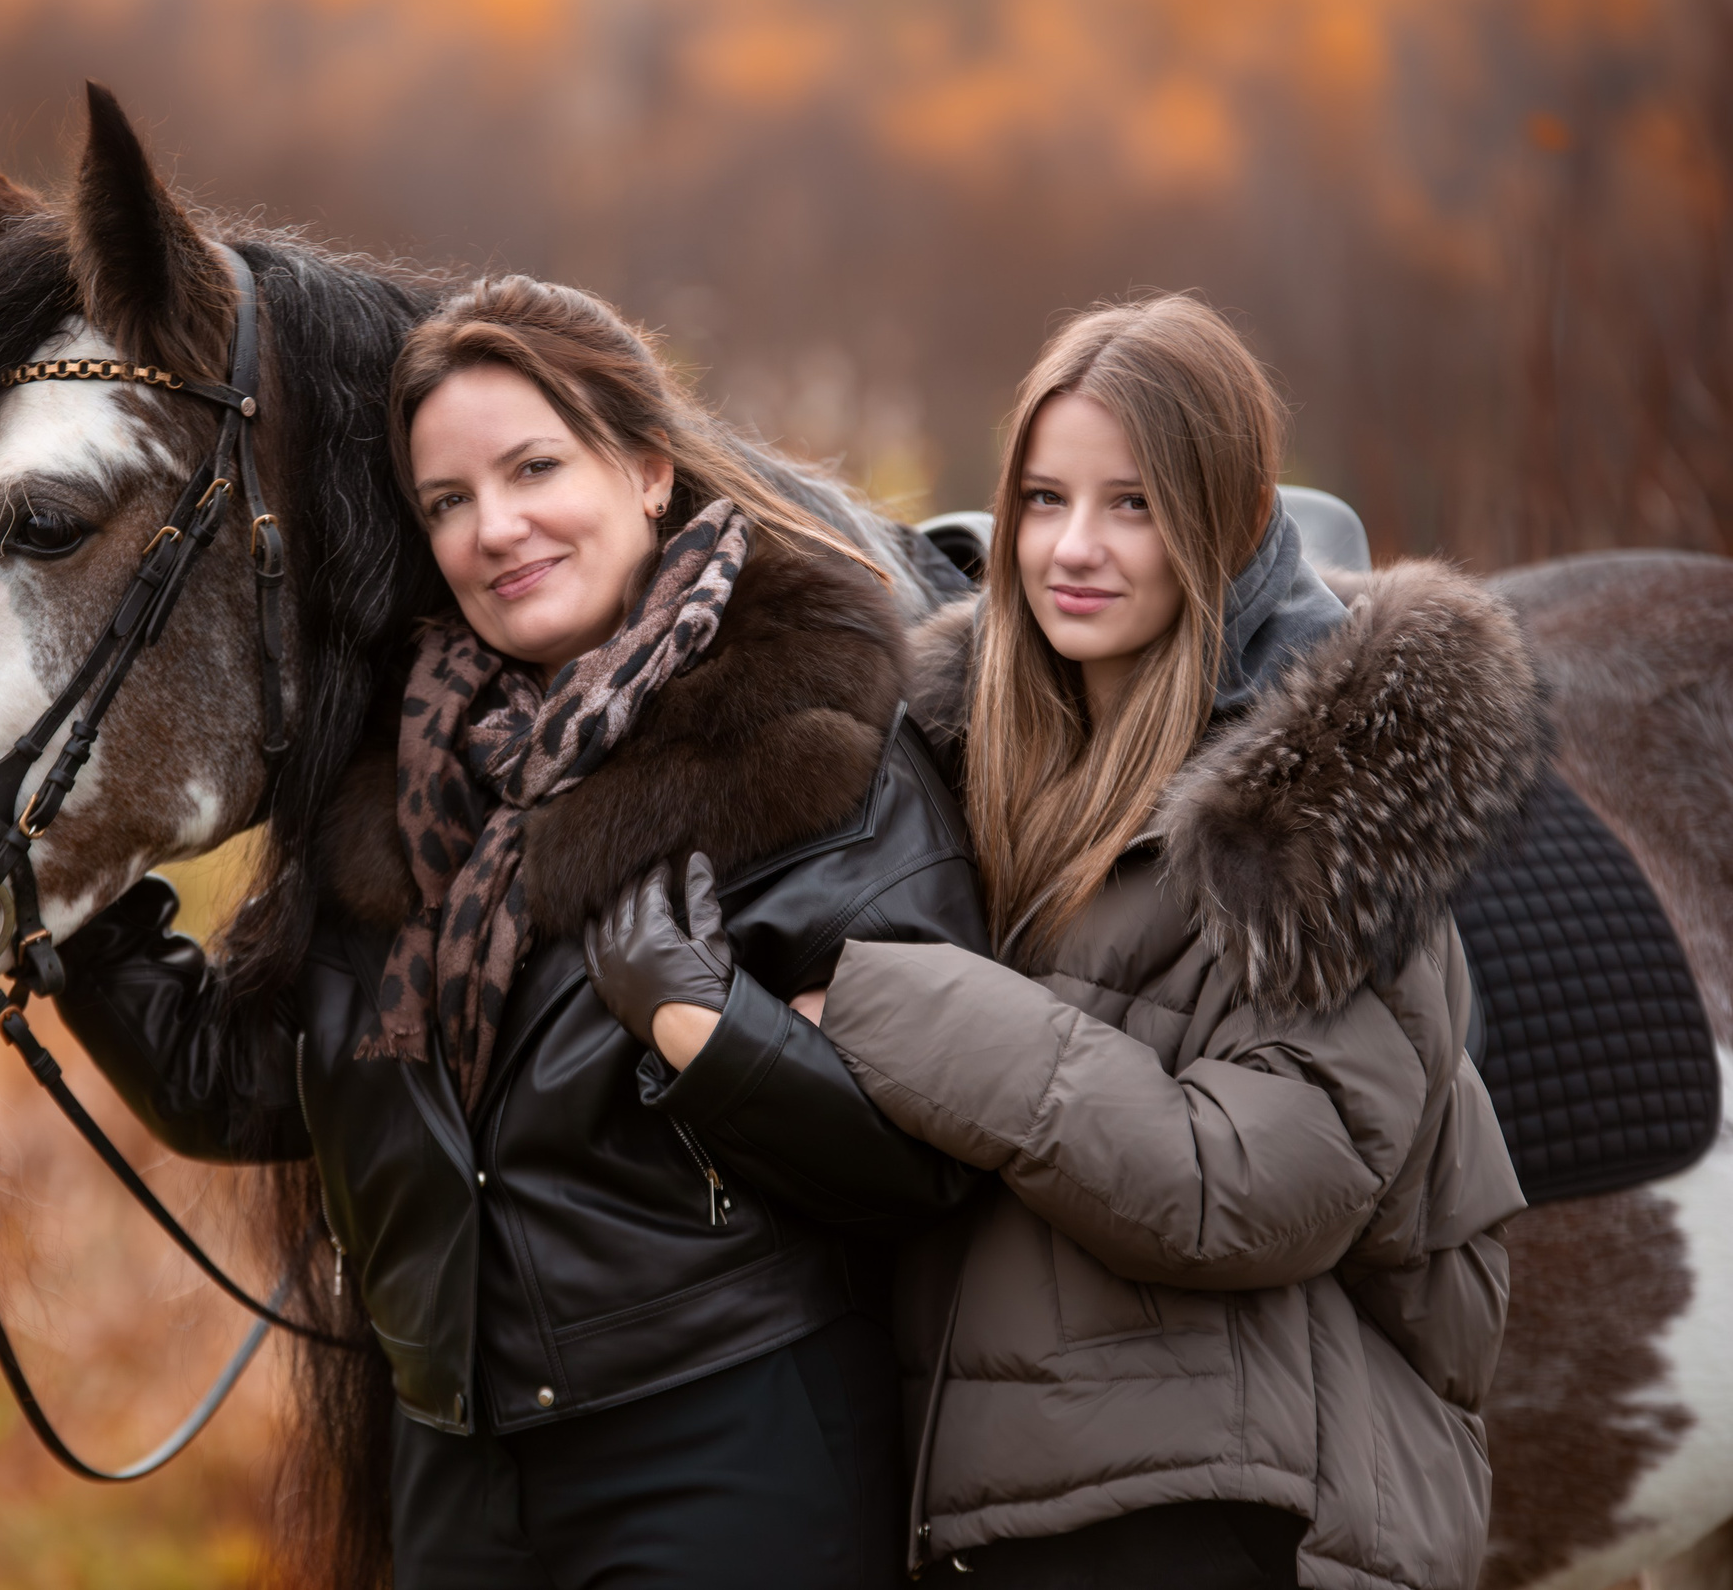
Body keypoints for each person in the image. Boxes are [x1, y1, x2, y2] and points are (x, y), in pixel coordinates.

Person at [51, 275, 988, 1589]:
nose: (496, 528)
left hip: (727, 1443)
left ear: (649, 470)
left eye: (534, 467)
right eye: (447, 501)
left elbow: (929, 1158)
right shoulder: (392, 783)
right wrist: (66, 911)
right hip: (461, 1483)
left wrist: (700, 1022)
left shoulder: (815, 748)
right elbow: (248, 1083)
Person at [585, 294, 1533, 1590]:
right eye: (1043, 499)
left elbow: (1246, 1184)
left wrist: (881, 1003)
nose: (1074, 547)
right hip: (993, 1491)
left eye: (1132, 504)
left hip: (1230, 1502)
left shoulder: (1323, 810)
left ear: (1232, 520)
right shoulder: (953, 769)